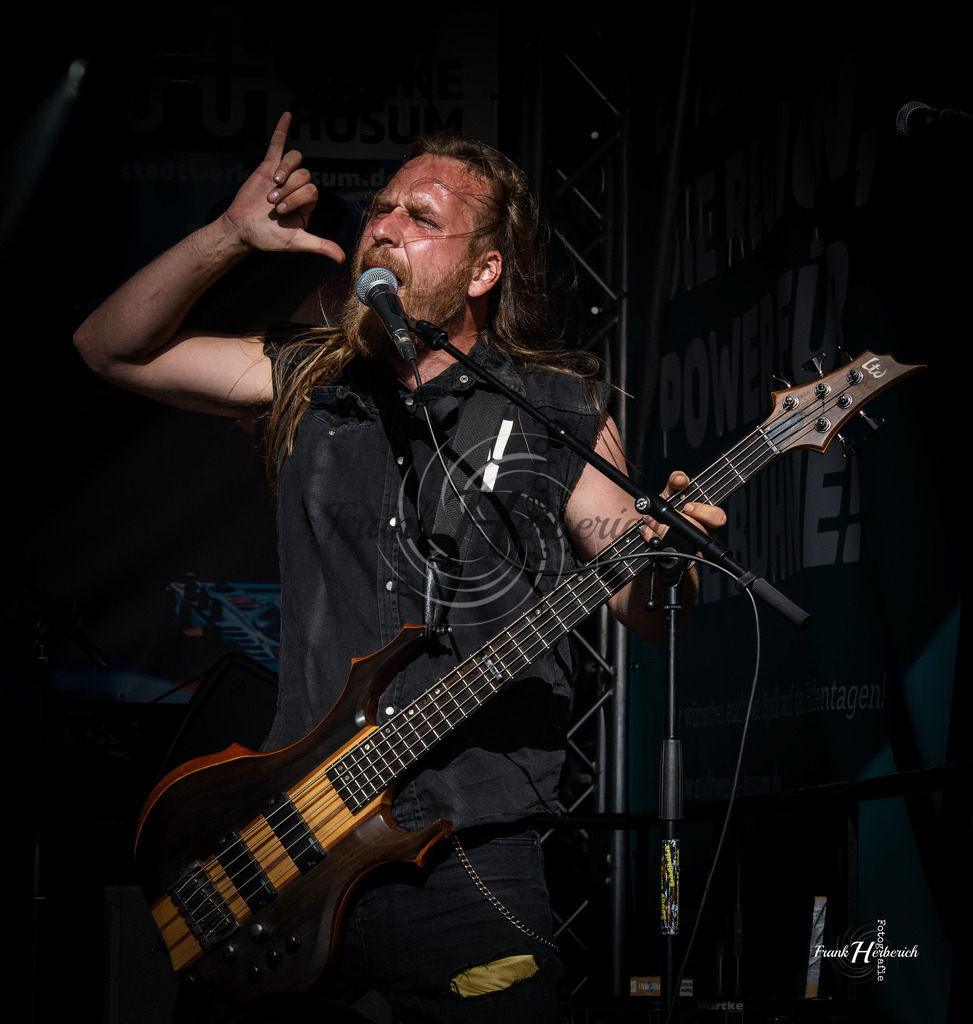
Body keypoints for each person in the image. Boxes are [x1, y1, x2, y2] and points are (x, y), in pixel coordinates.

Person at [74, 112, 725, 1024]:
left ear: (483, 270)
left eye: (420, 216)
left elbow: (647, 603)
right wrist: (229, 235)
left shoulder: (553, 410)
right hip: (294, 833)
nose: (382, 227)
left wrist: (667, 567)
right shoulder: (309, 379)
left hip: (469, 857)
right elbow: (110, 349)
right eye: (379, 210)